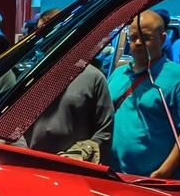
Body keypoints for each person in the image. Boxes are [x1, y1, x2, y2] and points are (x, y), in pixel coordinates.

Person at [106, 10, 180, 176]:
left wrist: (165, 171)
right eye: (133, 38)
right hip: (110, 173)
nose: (137, 43)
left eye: (145, 38)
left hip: (151, 180)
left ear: (162, 39)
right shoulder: (118, 74)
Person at [22, 10, 115, 157]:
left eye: (50, 32)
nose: (44, 38)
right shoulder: (29, 76)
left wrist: (80, 154)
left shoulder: (93, 78)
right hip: (29, 163)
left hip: (70, 169)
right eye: (41, 32)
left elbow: (104, 132)